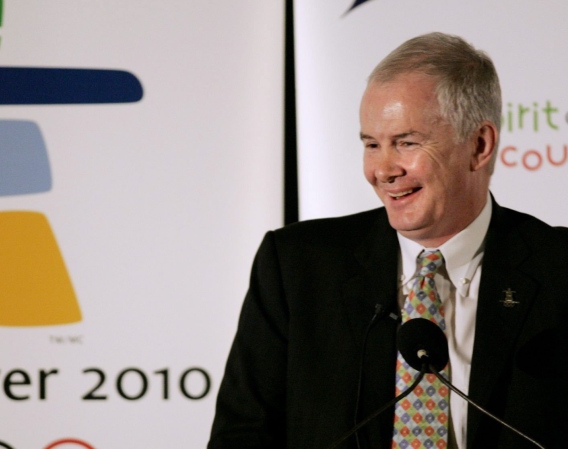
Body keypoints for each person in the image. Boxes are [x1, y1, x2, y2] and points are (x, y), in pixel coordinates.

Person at [208, 32, 568, 449]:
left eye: (406, 143)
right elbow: (242, 436)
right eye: (372, 145)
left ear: (479, 145)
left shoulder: (558, 270)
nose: (382, 169)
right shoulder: (297, 267)